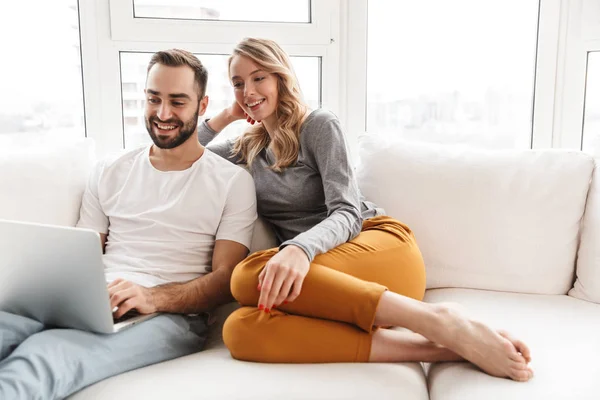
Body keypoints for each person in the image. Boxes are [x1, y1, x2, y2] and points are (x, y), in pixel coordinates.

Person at [197, 37, 534, 382]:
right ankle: (444, 344)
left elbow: (346, 211)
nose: (248, 91)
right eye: (238, 83)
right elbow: (180, 152)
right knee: (240, 330)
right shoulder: (246, 149)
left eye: (258, 78)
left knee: (247, 275)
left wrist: (299, 248)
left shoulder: (317, 125)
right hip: (329, 283)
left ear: (281, 78)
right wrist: (227, 114)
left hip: (378, 247)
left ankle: (434, 321)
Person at [0, 49, 257, 399]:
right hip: (94, 302)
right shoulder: (110, 169)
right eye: (154, 99)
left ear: (203, 104)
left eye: (178, 102)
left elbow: (227, 281)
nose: (163, 113)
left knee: (42, 358)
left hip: (170, 318)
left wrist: (152, 297)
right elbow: (79, 254)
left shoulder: (232, 182)